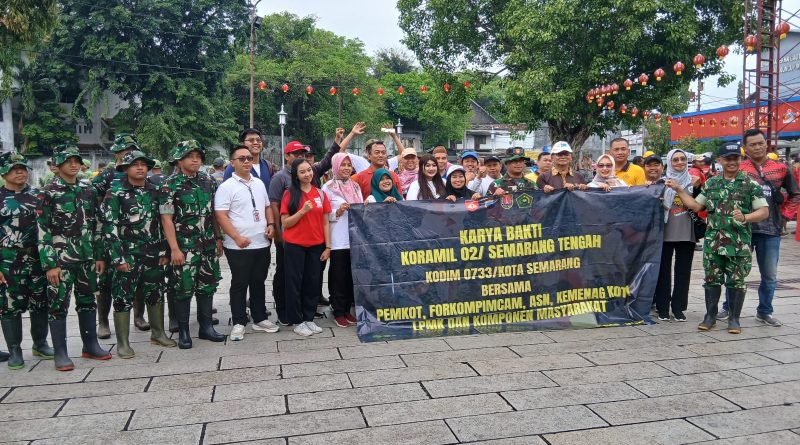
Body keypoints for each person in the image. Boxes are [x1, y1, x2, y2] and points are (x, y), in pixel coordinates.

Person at [666, 143, 769, 334]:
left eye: (735, 158)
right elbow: (696, 206)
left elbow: (763, 211)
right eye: (727, 158)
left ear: (741, 159)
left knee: (736, 281)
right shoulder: (711, 184)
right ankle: (710, 316)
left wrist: (746, 217)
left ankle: (734, 319)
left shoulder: (750, 184)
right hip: (714, 243)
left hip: (738, 244)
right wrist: (679, 189)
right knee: (712, 279)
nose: (731, 162)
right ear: (720, 160)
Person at [38, 146, 111, 371]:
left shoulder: (88, 190)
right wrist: (50, 264)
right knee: (58, 304)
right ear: (57, 165)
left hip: (86, 258)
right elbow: (42, 230)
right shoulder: (48, 193)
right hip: (61, 261)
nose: (73, 164)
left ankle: (90, 345)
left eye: (76, 161)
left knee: (87, 301)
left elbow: (97, 223)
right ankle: (60, 353)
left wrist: (99, 255)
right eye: (67, 161)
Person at [720, 129, 800, 327]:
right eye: (752, 144)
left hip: (770, 231)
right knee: (735, 271)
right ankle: (729, 307)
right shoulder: (739, 168)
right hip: (741, 230)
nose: (757, 147)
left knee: (769, 275)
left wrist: (784, 217)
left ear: (766, 144)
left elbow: (795, 194)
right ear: (745, 148)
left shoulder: (781, 168)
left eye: (760, 143)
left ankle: (764, 311)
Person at [100, 151, 176, 358]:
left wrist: (165, 250)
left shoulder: (158, 190)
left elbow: (165, 221)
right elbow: (109, 227)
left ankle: (158, 333)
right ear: (125, 168)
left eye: (143, 164)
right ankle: (123, 343)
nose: (140, 168)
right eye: (135, 164)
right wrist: (118, 258)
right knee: (123, 297)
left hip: (154, 253)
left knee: (155, 292)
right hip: (128, 254)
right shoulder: (115, 193)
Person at [159, 140, 226, 349]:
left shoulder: (208, 180)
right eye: (190, 156)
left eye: (198, 156)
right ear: (179, 160)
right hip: (184, 247)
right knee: (183, 288)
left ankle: (206, 327)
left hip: (207, 244)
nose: (195, 160)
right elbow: (166, 219)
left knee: (208, 285)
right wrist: (174, 249)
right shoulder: (169, 184)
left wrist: (218, 238)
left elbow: (213, 212)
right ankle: (184, 332)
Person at [215, 145, 279, 342]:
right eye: (241, 158)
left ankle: (259, 318)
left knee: (259, 281)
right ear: (232, 163)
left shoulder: (259, 183)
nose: (246, 162)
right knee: (240, 283)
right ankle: (239, 321)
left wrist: (271, 224)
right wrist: (236, 237)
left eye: (249, 158)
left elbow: (267, 206)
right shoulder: (226, 187)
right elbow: (221, 215)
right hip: (238, 246)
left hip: (261, 242)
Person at [0, 153, 54, 370]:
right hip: (8, 259)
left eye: (22, 168)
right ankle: (14, 350)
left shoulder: (39, 195)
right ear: (4, 173)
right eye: (14, 169)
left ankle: (40, 344)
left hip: (37, 257)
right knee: (9, 305)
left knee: (41, 301)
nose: (20, 172)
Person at [92, 133, 147, 339]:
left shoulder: (141, 172)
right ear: (116, 153)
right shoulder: (107, 175)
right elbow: (95, 202)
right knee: (105, 281)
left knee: (139, 279)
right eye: (124, 151)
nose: (128, 154)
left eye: (132, 150)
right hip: (110, 235)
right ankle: (103, 322)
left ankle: (139, 316)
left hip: (135, 237)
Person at [281, 158, 331, 336]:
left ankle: (309, 318)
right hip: (295, 246)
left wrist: (328, 247)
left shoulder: (320, 193)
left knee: (313, 282)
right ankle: (297, 320)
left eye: (309, 170)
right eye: (302, 172)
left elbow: (325, 222)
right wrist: (302, 211)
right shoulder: (289, 194)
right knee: (294, 283)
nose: (307, 174)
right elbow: (285, 223)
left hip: (316, 245)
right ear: (296, 175)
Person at [655, 149, 701, 321]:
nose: (680, 162)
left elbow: (699, 206)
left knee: (683, 272)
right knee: (663, 271)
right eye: (675, 160)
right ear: (669, 162)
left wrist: (681, 189)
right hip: (665, 232)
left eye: (683, 159)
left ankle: (678, 307)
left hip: (686, 232)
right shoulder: (661, 182)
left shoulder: (694, 182)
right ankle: (662, 307)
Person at [321, 153, 363, 327]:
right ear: (335, 167)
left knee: (350, 276)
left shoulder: (355, 186)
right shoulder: (328, 187)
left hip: (354, 237)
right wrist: (337, 212)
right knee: (338, 275)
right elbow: (324, 214)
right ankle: (338, 310)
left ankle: (347, 310)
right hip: (338, 238)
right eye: (343, 165)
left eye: (349, 165)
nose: (346, 168)